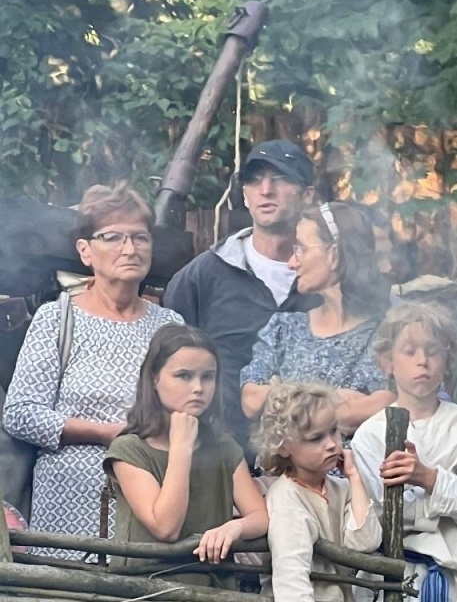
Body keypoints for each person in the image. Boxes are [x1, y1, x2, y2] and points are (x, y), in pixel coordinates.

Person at [2, 183, 182, 546]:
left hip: (151, 504)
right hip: (67, 507)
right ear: (85, 250)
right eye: (113, 237)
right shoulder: (57, 318)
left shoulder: (171, 326)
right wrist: (103, 433)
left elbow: (191, 410)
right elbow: (19, 413)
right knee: (71, 601)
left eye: (140, 238)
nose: (129, 249)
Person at [352, 302, 457, 602]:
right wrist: (440, 506)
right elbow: (377, 520)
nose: (422, 361)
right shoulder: (371, 436)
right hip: (397, 589)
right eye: (409, 351)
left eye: (433, 351)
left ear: (447, 360)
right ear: (388, 362)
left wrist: (430, 479)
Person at [163, 140, 316, 449]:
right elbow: (167, 369)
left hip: (315, 458)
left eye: (281, 178)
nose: (266, 190)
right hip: (222, 457)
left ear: (308, 195)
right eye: (255, 180)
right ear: (245, 195)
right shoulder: (202, 276)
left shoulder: (326, 282)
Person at [106, 324, 267, 557]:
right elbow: (166, 527)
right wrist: (181, 446)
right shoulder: (130, 449)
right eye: (184, 376)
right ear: (153, 378)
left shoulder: (224, 448)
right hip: (146, 587)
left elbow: (260, 516)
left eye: (208, 377)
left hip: (213, 588)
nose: (198, 388)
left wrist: (235, 527)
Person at [255, 382, 381, 602]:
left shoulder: (338, 488)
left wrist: (355, 478)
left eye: (334, 431)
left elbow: (365, 543)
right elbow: (291, 565)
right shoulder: (287, 497)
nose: (331, 444)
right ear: (284, 447)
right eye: (315, 438)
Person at [240, 202, 393, 435]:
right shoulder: (284, 328)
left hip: (354, 470)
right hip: (284, 471)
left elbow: (387, 407)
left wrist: (280, 392)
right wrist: (337, 399)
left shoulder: (385, 335)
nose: (292, 262)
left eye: (301, 248)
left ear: (334, 254)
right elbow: (251, 403)